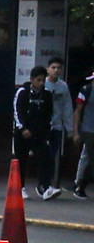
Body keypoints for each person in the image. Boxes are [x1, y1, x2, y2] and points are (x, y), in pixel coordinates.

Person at [13, 66, 59, 199]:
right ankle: (20, 187)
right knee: (21, 159)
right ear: (32, 79)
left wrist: (46, 131)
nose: (41, 83)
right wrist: (22, 128)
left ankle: (44, 186)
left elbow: (49, 114)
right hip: (23, 132)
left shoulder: (46, 94)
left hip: (39, 133)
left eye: (43, 80)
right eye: (39, 80)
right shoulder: (22, 92)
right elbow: (17, 111)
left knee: (45, 157)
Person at [45, 57, 71, 190]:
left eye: (58, 68)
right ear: (48, 69)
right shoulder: (43, 83)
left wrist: (70, 128)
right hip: (43, 126)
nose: (56, 70)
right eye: (53, 67)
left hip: (56, 126)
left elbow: (67, 107)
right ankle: (43, 183)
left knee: (52, 155)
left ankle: (47, 183)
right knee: (44, 154)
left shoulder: (63, 86)